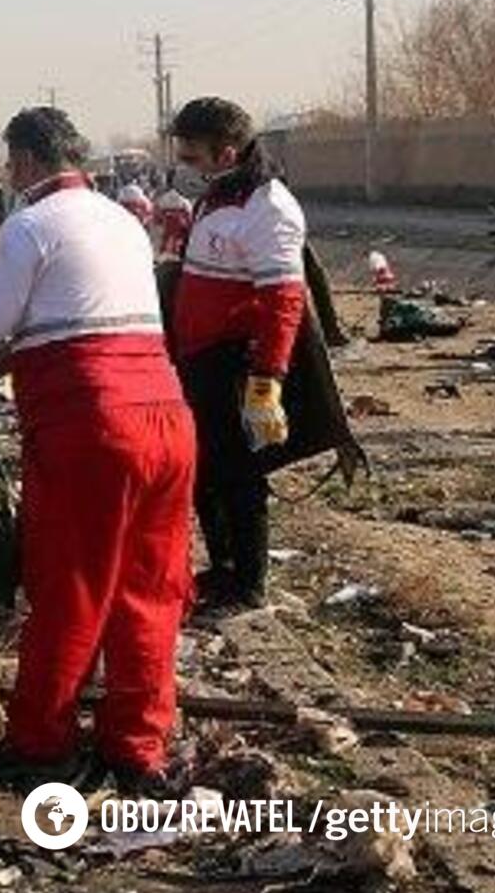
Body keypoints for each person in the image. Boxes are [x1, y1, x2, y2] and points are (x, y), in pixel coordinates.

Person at [0, 106, 194, 790]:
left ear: (26, 160)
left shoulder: (29, 225)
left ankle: (41, 743)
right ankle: (136, 748)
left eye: (9, 161)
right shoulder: (121, 219)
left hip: (91, 424)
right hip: (165, 416)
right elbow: (77, 316)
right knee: (148, 588)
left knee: (69, 587)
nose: (8, 173)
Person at [168, 97, 306, 613]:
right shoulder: (220, 194)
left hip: (234, 362)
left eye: (193, 157)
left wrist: (267, 380)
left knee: (239, 476)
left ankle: (249, 580)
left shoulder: (266, 207)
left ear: (226, 153)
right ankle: (223, 565)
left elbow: (283, 300)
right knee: (205, 470)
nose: (187, 167)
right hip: (200, 358)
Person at [153, 182, 193, 261]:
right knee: (178, 238)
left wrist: (158, 221)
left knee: (166, 237)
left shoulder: (164, 198)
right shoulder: (183, 200)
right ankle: (175, 253)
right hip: (179, 221)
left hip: (168, 220)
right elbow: (188, 212)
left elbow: (158, 210)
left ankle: (163, 253)